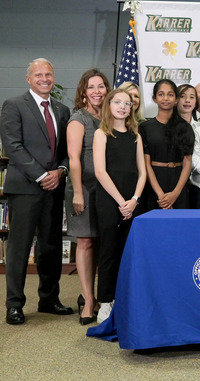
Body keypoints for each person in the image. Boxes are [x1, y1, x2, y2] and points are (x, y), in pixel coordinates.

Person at [1, 58, 73, 325]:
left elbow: (67, 150)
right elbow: (12, 146)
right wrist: (42, 175)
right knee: (19, 248)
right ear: (28, 79)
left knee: (51, 246)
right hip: (25, 188)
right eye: (39, 74)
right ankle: (14, 305)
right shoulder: (14, 105)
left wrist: (61, 171)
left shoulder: (62, 110)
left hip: (54, 188)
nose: (45, 78)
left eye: (49, 74)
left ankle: (49, 299)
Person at [93, 88, 146, 323]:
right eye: (117, 102)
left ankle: (126, 299)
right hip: (109, 201)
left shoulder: (136, 135)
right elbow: (100, 171)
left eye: (127, 103)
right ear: (109, 104)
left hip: (132, 203)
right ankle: (105, 301)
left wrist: (133, 200)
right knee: (109, 252)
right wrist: (120, 202)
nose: (123, 107)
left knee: (129, 252)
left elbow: (142, 172)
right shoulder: (101, 133)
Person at [65, 69, 110, 325]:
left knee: (103, 243)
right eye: (91, 87)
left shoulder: (110, 116)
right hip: (83, 189)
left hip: (106, 189)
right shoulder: (78, 119)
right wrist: (79, 191)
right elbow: (73, 159)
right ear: (83, 92)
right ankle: (87, 300)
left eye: (101, 86)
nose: (97, 91)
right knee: (85, 242)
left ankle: (101, 297)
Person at [139, 79, 194, 211]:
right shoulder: (145, 127)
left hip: (178, 183)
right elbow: (146, 163)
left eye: (170, 94)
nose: (166, 98)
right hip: (154, 183)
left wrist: (175, 194)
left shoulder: (185, 127)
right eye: (161, 94)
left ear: (176, 100)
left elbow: (187, 162)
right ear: (154, 98)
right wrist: (160, 195)